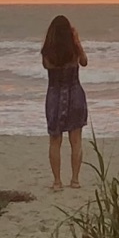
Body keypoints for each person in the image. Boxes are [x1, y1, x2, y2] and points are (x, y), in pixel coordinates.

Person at [41, 15, 88, 190]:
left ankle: (57, 182)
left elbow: (47, 66)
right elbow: (84, 62)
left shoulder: (48, 51)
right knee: (76, 141)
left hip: (54, 95)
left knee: (55, 141)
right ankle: (75, 180)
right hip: (74, 93)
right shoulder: (74, 50)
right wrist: (77, 41)